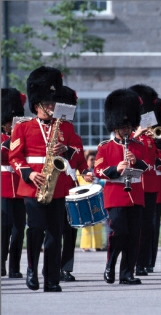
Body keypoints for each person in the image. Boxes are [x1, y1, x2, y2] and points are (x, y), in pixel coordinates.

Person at [9, 66, 90, 292]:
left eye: (53, 103)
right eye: (48, 104)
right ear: (37, 106)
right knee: (35, 230)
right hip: (34, 185)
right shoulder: (23, 127)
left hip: (58, 186)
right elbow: (15, 157)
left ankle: (51, 278)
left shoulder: (64, 126)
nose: (53, 107)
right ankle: (32, 270)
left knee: (56, 234)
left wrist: (67, 151)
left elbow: (78, 152)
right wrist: (29, 173)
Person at [94, 88, 150, 285]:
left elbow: (148, 167)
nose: (127, 130)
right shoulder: (105, 147)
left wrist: (135, 160)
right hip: (115, 195)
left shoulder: (138, 146)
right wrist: (116, 169)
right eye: (123, 127)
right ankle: (110, 265)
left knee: (134, 236)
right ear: (115, 126)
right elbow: (98, 170)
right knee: (119, 233)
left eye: (129, 126)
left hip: (135, 194)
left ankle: (127, 273)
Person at [129, 84, 161, 275]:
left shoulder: (153, 138)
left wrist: (158, 142)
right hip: (135, 185)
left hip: (152, 186)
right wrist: (137, 134)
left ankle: (143, 263)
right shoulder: (130, 136)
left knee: (148, 227)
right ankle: (134, 261)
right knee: (134, 227)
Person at [55, 85, 90, 282]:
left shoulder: (70, 131)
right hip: (50, 186)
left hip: (69, 187)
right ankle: (51, 267)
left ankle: (66, 268)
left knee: (69, 230)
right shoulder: (41, 128)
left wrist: (86, 172)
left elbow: (80, 158)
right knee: (53, 230)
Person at [1, 88, 27, 279]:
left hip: (20, 187)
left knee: (19, 230)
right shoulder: (3, 139)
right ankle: (1, 263)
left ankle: (15, 267)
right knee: (4, 228)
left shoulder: (22, 138)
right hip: (3, 186)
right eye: (9, 123)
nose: (12, 126)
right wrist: (10, 142)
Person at [78, 150, 104, 252]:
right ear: (86, 160)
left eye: (94, 159)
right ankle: (86, 245)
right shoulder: (81, 172)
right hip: (85, 200)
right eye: (91, 159)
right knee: (87, 225)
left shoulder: (97, 172)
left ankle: (97, 245)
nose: (93, 161)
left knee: (98, 223)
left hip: (96, 200)